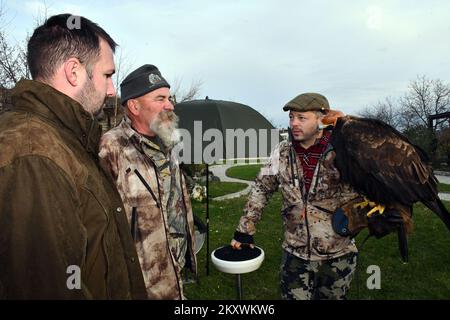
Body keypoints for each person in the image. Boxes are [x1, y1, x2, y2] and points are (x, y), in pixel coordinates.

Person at [0, 14, 147, 299]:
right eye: (107, 75)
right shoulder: (34, 154)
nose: (111, 89)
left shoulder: (66, 138)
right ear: (74, 72)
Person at [231, 93, 363, 300]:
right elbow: (261, 189)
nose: (294, 123)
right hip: (295, 255)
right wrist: (244, 229)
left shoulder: (345, 151)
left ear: (321, 120)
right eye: (291, 117)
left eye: (302, 118)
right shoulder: (281, 152)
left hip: (338, 254)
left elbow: (371, 188)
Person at [99, 64, 197, 300]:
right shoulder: (111, 148)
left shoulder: (167, 140)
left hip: (175, 271)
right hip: (142, 284)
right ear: (134, 106)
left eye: (169, 98)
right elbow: (101, 224)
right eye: (160, 98)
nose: (170, 105)